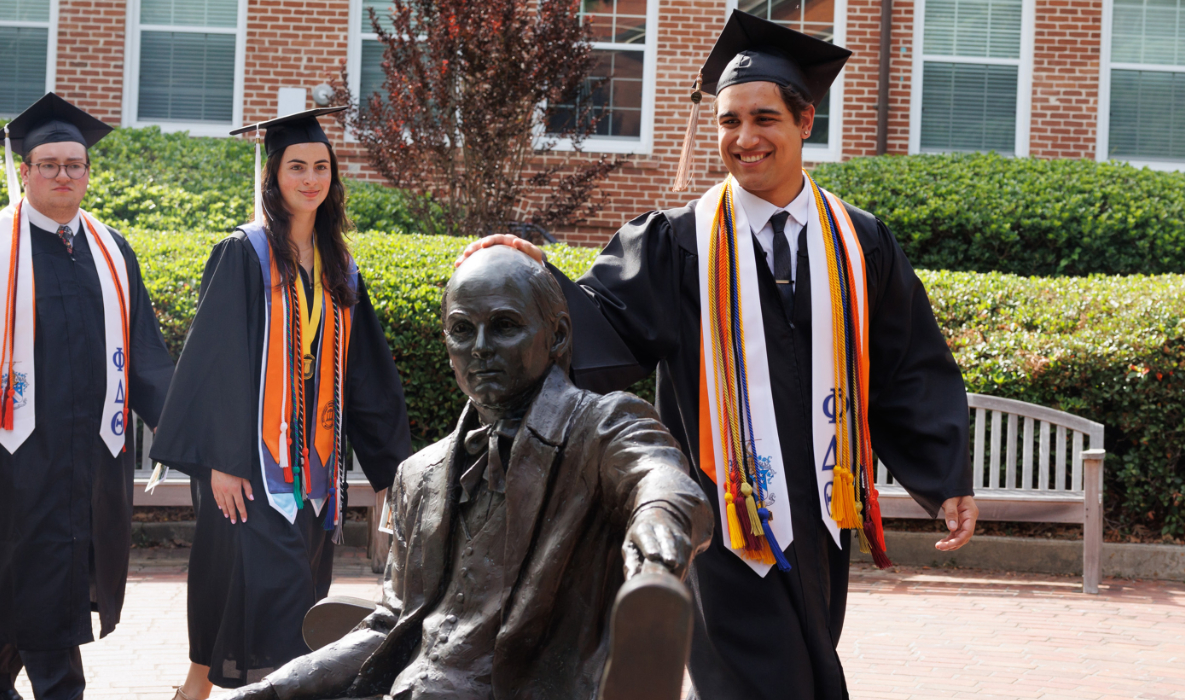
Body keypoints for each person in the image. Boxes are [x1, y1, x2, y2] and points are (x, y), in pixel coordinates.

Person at [459, 11, 980, 700]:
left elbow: (906, 364)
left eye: (764, 118)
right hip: (723, 518)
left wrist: (946, 476)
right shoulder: (680, 244)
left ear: (805, 123)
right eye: (729, 121)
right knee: (756, 679)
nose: (745, 138)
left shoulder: (858, 245)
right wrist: (533, 280)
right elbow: (595, 323)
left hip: (824, 514)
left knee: (811, 665)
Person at [218, 245, 712, 700]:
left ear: (557, 335)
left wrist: (658, 534)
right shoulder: (419, 473)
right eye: (461, 329)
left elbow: (660, 480)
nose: (479, 348)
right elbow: (390, 624)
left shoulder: (601, 428)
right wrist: (273, 690)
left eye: (503, 326)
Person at [0, 93, 176, 700]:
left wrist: (187, 431)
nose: (61, 175)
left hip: (94, 448)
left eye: (73, 165)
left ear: (87, 172)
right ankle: (59, 690)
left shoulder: (111, 249)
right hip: (18, 448)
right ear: (24, 171)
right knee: (40, 563)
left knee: (63, 567)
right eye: (47, 164)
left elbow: (146, 352)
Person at [149, 108, 412, 698]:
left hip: (315, 470)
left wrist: (392, 471)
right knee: (282, 604)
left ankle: (193, 689)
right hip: (250, 467)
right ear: (273, 175)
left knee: (251, 590)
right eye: (297, 166)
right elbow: (214, 362)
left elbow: (367, 375)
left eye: (321, 167)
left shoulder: (340, 267)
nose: (311, 178)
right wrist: (220, 459)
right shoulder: (242, 254)